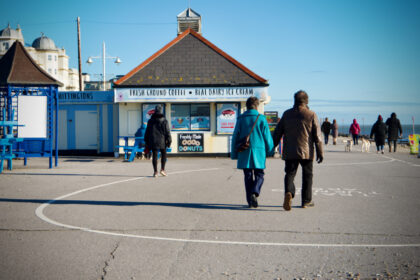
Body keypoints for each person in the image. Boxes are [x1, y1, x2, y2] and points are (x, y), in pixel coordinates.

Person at [273, 90, 323, 211]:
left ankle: (289, 192)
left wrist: (272, 147)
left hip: (290, 150)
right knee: (307, 176)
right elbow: (317, 136)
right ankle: (306, 201)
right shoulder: (311, 114)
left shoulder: (286, 114)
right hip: (306, 151)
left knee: (290, 174)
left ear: (294, 100)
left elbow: (277, 133)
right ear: (306, 101)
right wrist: (320, 152)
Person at [231, 97, 274, 208]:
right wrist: (270, 150)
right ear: (257, 106)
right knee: (260, 174)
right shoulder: (261, 119)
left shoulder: (240, 119)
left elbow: (235, 136)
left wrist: (234, 154)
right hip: (259, 152)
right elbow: (267, 137)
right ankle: (255, 192)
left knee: (248, 176)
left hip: (244, 151)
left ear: (247, 105)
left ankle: (250, 201)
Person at [145, 105, 172, 177]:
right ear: (161, 111)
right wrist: (169, 141)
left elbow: (147, 132)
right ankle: (162, 169)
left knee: (154, 156)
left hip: (153, 140)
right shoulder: (164, 120)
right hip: (162, 141)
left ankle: (155, 172)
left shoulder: (150, 121)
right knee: (164, 155)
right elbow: (167, 132)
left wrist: (146, 141)